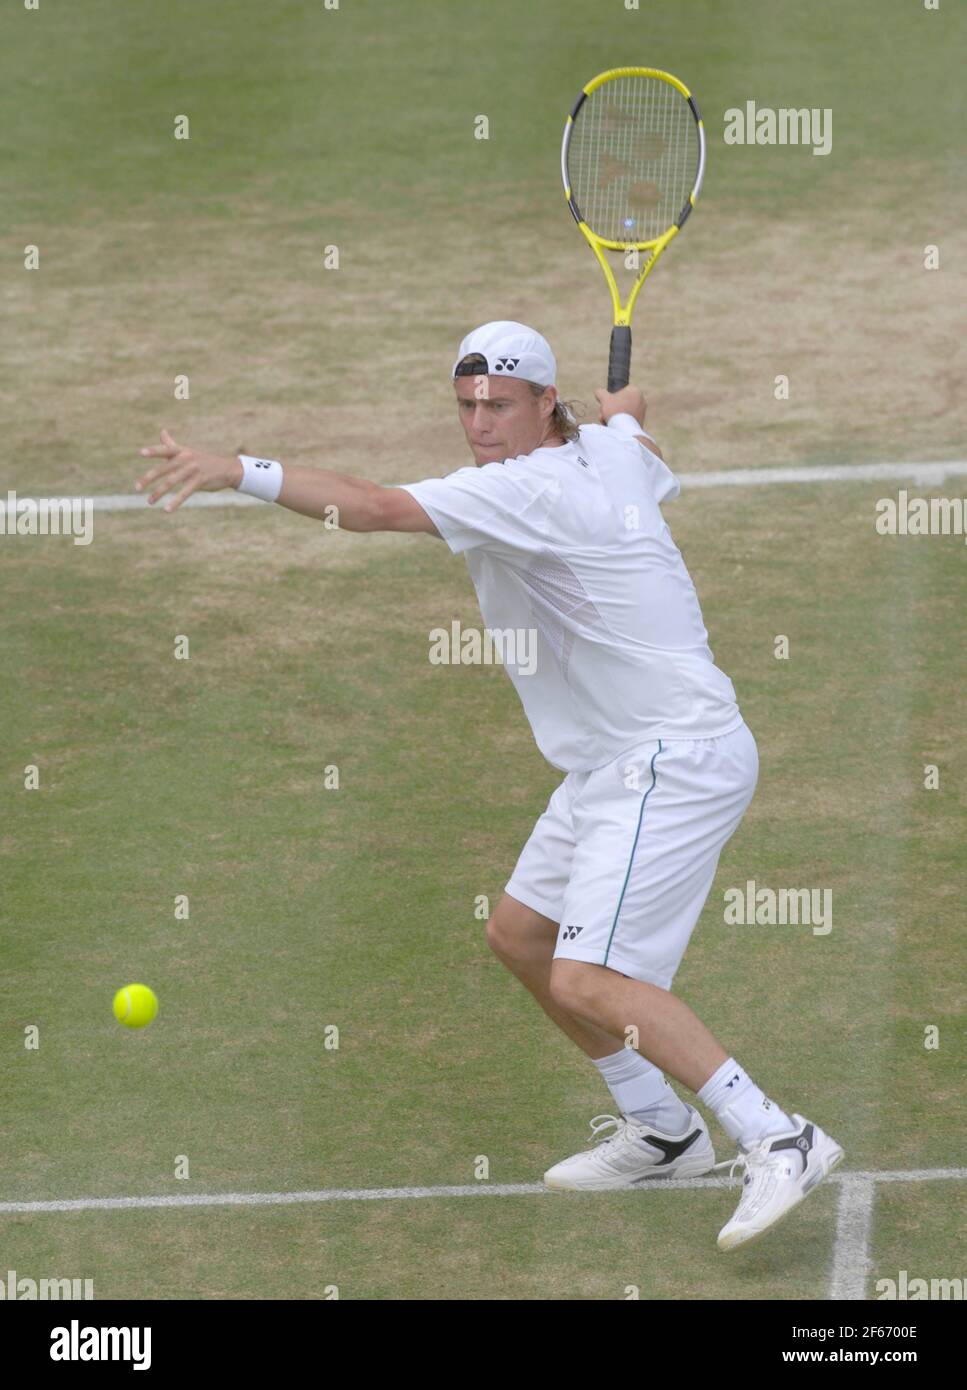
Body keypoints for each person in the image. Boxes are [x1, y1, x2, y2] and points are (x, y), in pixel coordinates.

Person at [136, 319, 843, 1250]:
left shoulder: (526, 488)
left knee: (589, 979)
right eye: (466, 404)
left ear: (545, 403)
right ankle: (664, 1132)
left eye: (499, 405)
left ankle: (776, 1134)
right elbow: (636, 435)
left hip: (669, 758)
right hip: (609, 758)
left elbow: (376, 507)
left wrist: (242, 469)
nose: (479, 423)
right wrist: (628, 417)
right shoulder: (607, 449)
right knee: (520, 936)